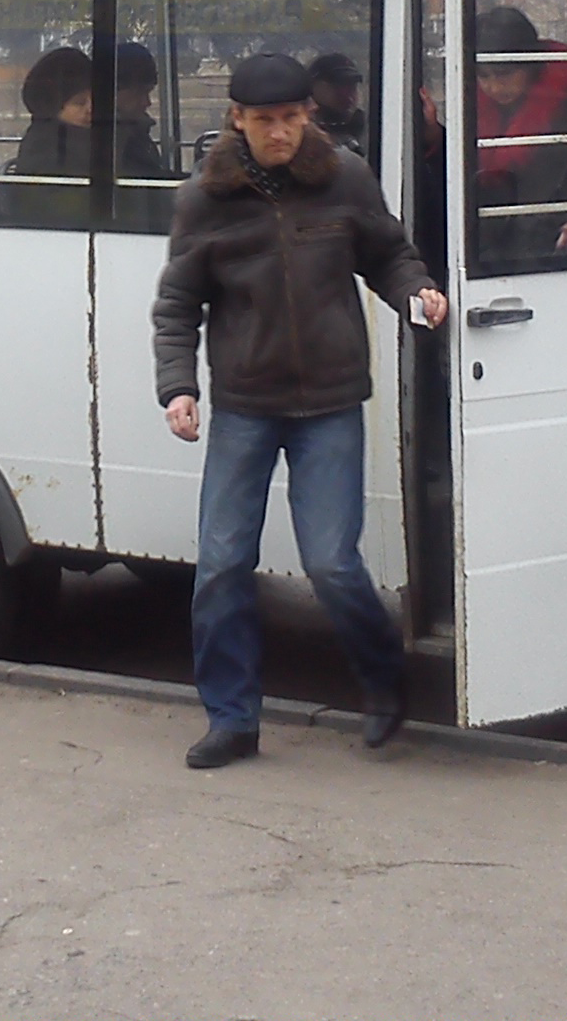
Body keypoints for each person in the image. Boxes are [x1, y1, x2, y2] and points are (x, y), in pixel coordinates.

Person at [151, 52, 447, 769]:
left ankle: (384, 683)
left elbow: (389, 255)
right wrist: (178, 387)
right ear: (236, 120)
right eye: (264, 121)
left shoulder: (344, 177)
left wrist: (418, 295)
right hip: (247, 404)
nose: (279, 133)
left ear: (307, 115)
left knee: (331, 564)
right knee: (221, 564)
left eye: (290, 118)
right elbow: (178, 303)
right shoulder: (204, 199)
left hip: (331, 402)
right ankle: (232, 720)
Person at [469, 5, 567, 265]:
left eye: (504, 74)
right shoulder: (474, 109)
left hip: (556, 250)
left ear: (531, 64)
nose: (494, 87)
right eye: (483, 76)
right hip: (495, 249)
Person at [13, 44, 94, 178]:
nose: (91, 109)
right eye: (79, 103)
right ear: (52, 106)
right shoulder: (46, 150)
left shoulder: (87, 138)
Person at [113, 42, 173, 179]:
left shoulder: (137, 133)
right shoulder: (116, 142)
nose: (147, 102)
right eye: (139, 92)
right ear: (115, 90)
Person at [308, 51, 369, 155]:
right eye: (338, 87)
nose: (348, 96)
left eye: (352, 88)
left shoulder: (372, 136)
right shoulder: (301, 139)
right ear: (313, 88)